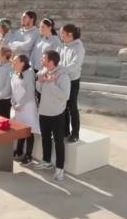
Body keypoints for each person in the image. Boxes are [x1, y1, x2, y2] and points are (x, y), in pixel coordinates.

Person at [34, 50, 71, 182]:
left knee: (58, 141)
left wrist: (51, 83)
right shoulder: (43, 72)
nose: (41, 60)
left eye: (43, 58)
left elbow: (65, 96)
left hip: (56, 113)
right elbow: (39, 90)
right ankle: (46, 160)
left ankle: (60, 169)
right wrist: (41, 81)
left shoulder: (63, 76)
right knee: (45, 138)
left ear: (51, 61)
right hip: (44, 111)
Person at [11, 54, 40, 164]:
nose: (13, 64)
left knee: (29, 130)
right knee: (20, 129)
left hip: (27, 106)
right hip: (18, 106)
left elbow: (30, 93)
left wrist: (20, 104)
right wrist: (13, 102)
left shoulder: (29, 73)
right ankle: (18, 151)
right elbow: (13, 88)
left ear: (22, 63)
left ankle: (28, 155)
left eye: (15, 62)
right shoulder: (15, 73)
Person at [59, 24, 85, 143]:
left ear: (70, 35)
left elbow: (74, 65)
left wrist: (60, 70)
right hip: (63, 79)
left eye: (63, 33)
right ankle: (65, 131)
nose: (61, 35)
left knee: (72, 107)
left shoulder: (78, 48)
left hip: (73, 80)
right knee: (63, 106)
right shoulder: (64, 46)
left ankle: (75, 133)